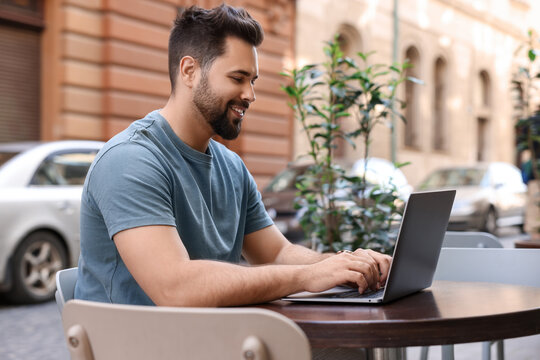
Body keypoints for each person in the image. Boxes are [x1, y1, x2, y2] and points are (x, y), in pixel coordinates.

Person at [74, 4, 392, 307]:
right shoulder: (130, 160)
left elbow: (277, 253)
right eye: (237, 78)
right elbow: (176, 289)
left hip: (213, 339)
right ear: (189, 71)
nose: (250, 95)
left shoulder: (231, 167)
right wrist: (307, 276)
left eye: (252, 82)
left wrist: (346, 265)